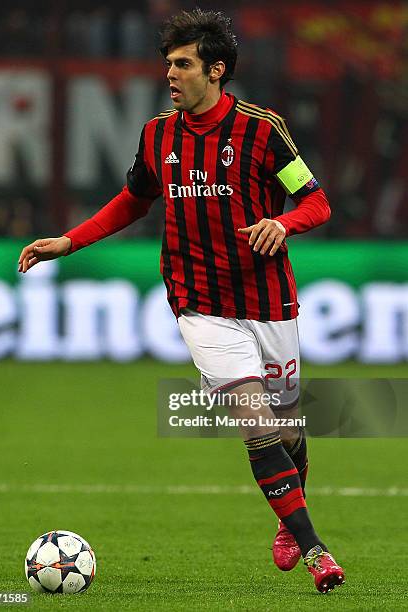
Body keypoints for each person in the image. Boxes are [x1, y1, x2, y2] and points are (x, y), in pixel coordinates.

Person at [18, 8, 345, 593]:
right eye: (168, 63)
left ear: (216, 70)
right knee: (254, 419)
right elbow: (132, 200)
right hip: (199, 302)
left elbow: (316, 202)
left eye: (183, 63)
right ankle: (317, 547)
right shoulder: (157, 135)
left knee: (289, 428)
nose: (170, 73)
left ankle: (289, 520)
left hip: (268, 299)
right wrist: (69, 240)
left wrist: (283, 222)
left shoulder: (262, 130)